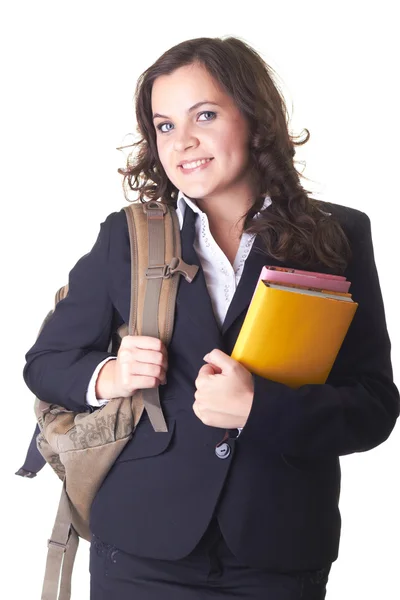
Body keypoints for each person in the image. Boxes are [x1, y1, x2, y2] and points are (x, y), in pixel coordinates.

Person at [22, 36, 399, 600]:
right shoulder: (127, 238)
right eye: (165, 125)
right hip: (142, 547)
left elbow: (373, 405)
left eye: (205, 114)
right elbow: (45, 364)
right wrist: (110, 376)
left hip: (279, 549)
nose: (184, 141)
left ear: (253, 115)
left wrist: (257, 407)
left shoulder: (337, 236)